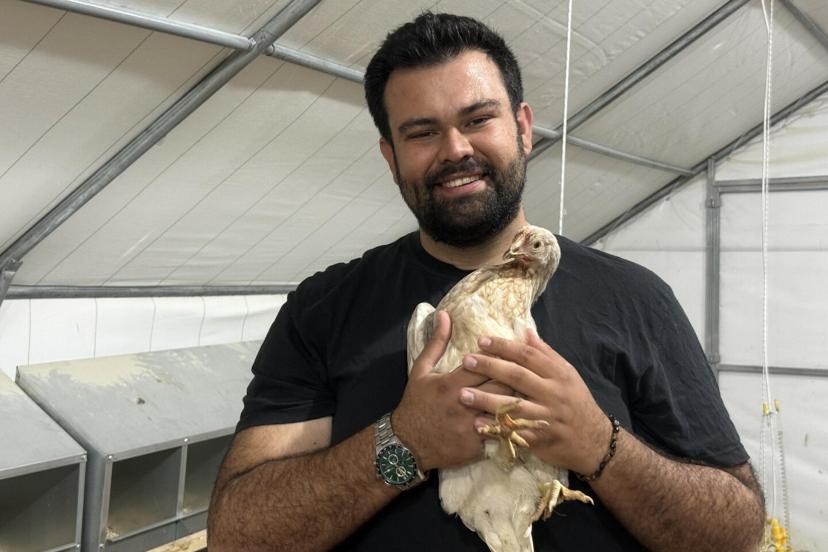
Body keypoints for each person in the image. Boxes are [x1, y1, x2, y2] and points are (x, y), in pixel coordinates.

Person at [207, 12, 765, 551]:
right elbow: (238, 536)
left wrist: (601, 445)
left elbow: (737, 533)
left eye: (477, 120)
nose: (455, 150)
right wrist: (403, 443)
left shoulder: (634, 299)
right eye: (422, 132)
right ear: (390, 156)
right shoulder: (325, 309)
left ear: (522, 128)